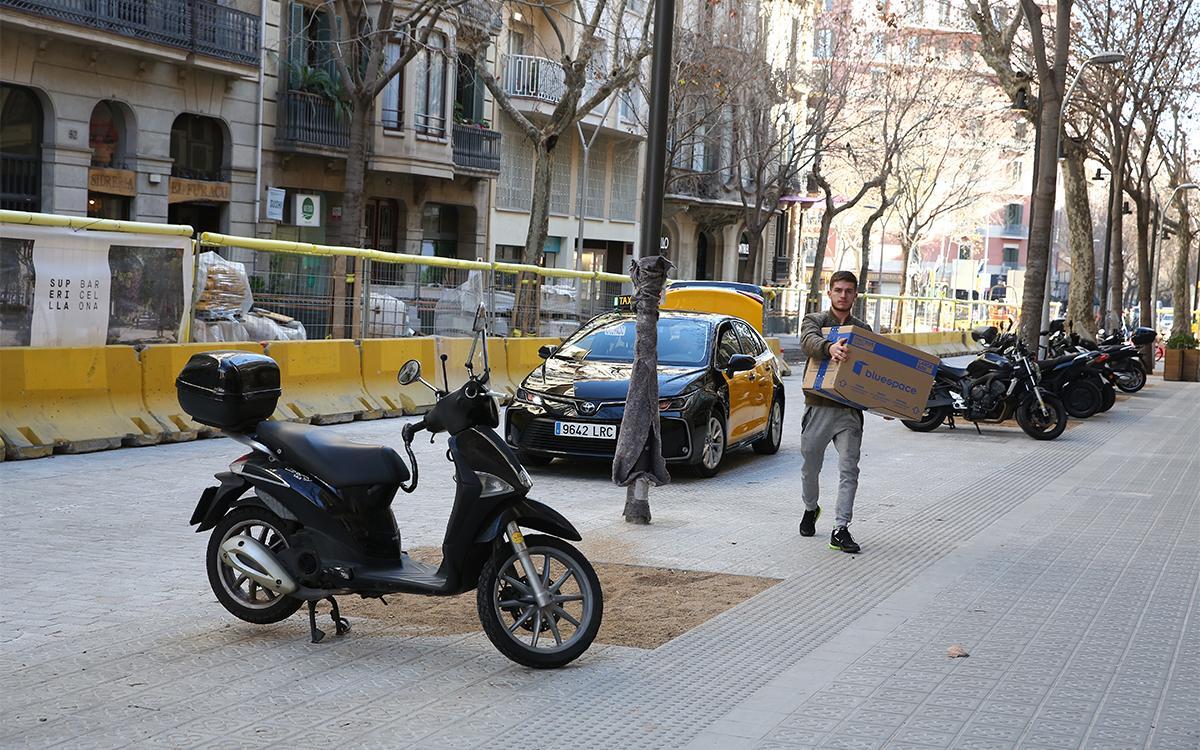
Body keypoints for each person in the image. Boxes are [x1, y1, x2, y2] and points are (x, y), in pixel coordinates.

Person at [798, 270, 873, 553]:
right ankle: (810, 508)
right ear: (829, 292)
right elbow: (808, 341)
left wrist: (887, 403)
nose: (843, 295)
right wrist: (829, 348)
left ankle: (840, 529)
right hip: (818, 408)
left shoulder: (862, 330)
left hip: (849, 412)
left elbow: (874, 371)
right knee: (810, 469)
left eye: (849, 291)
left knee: (849, 469)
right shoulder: (815, 321)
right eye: (838, 290)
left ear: (855, 295)